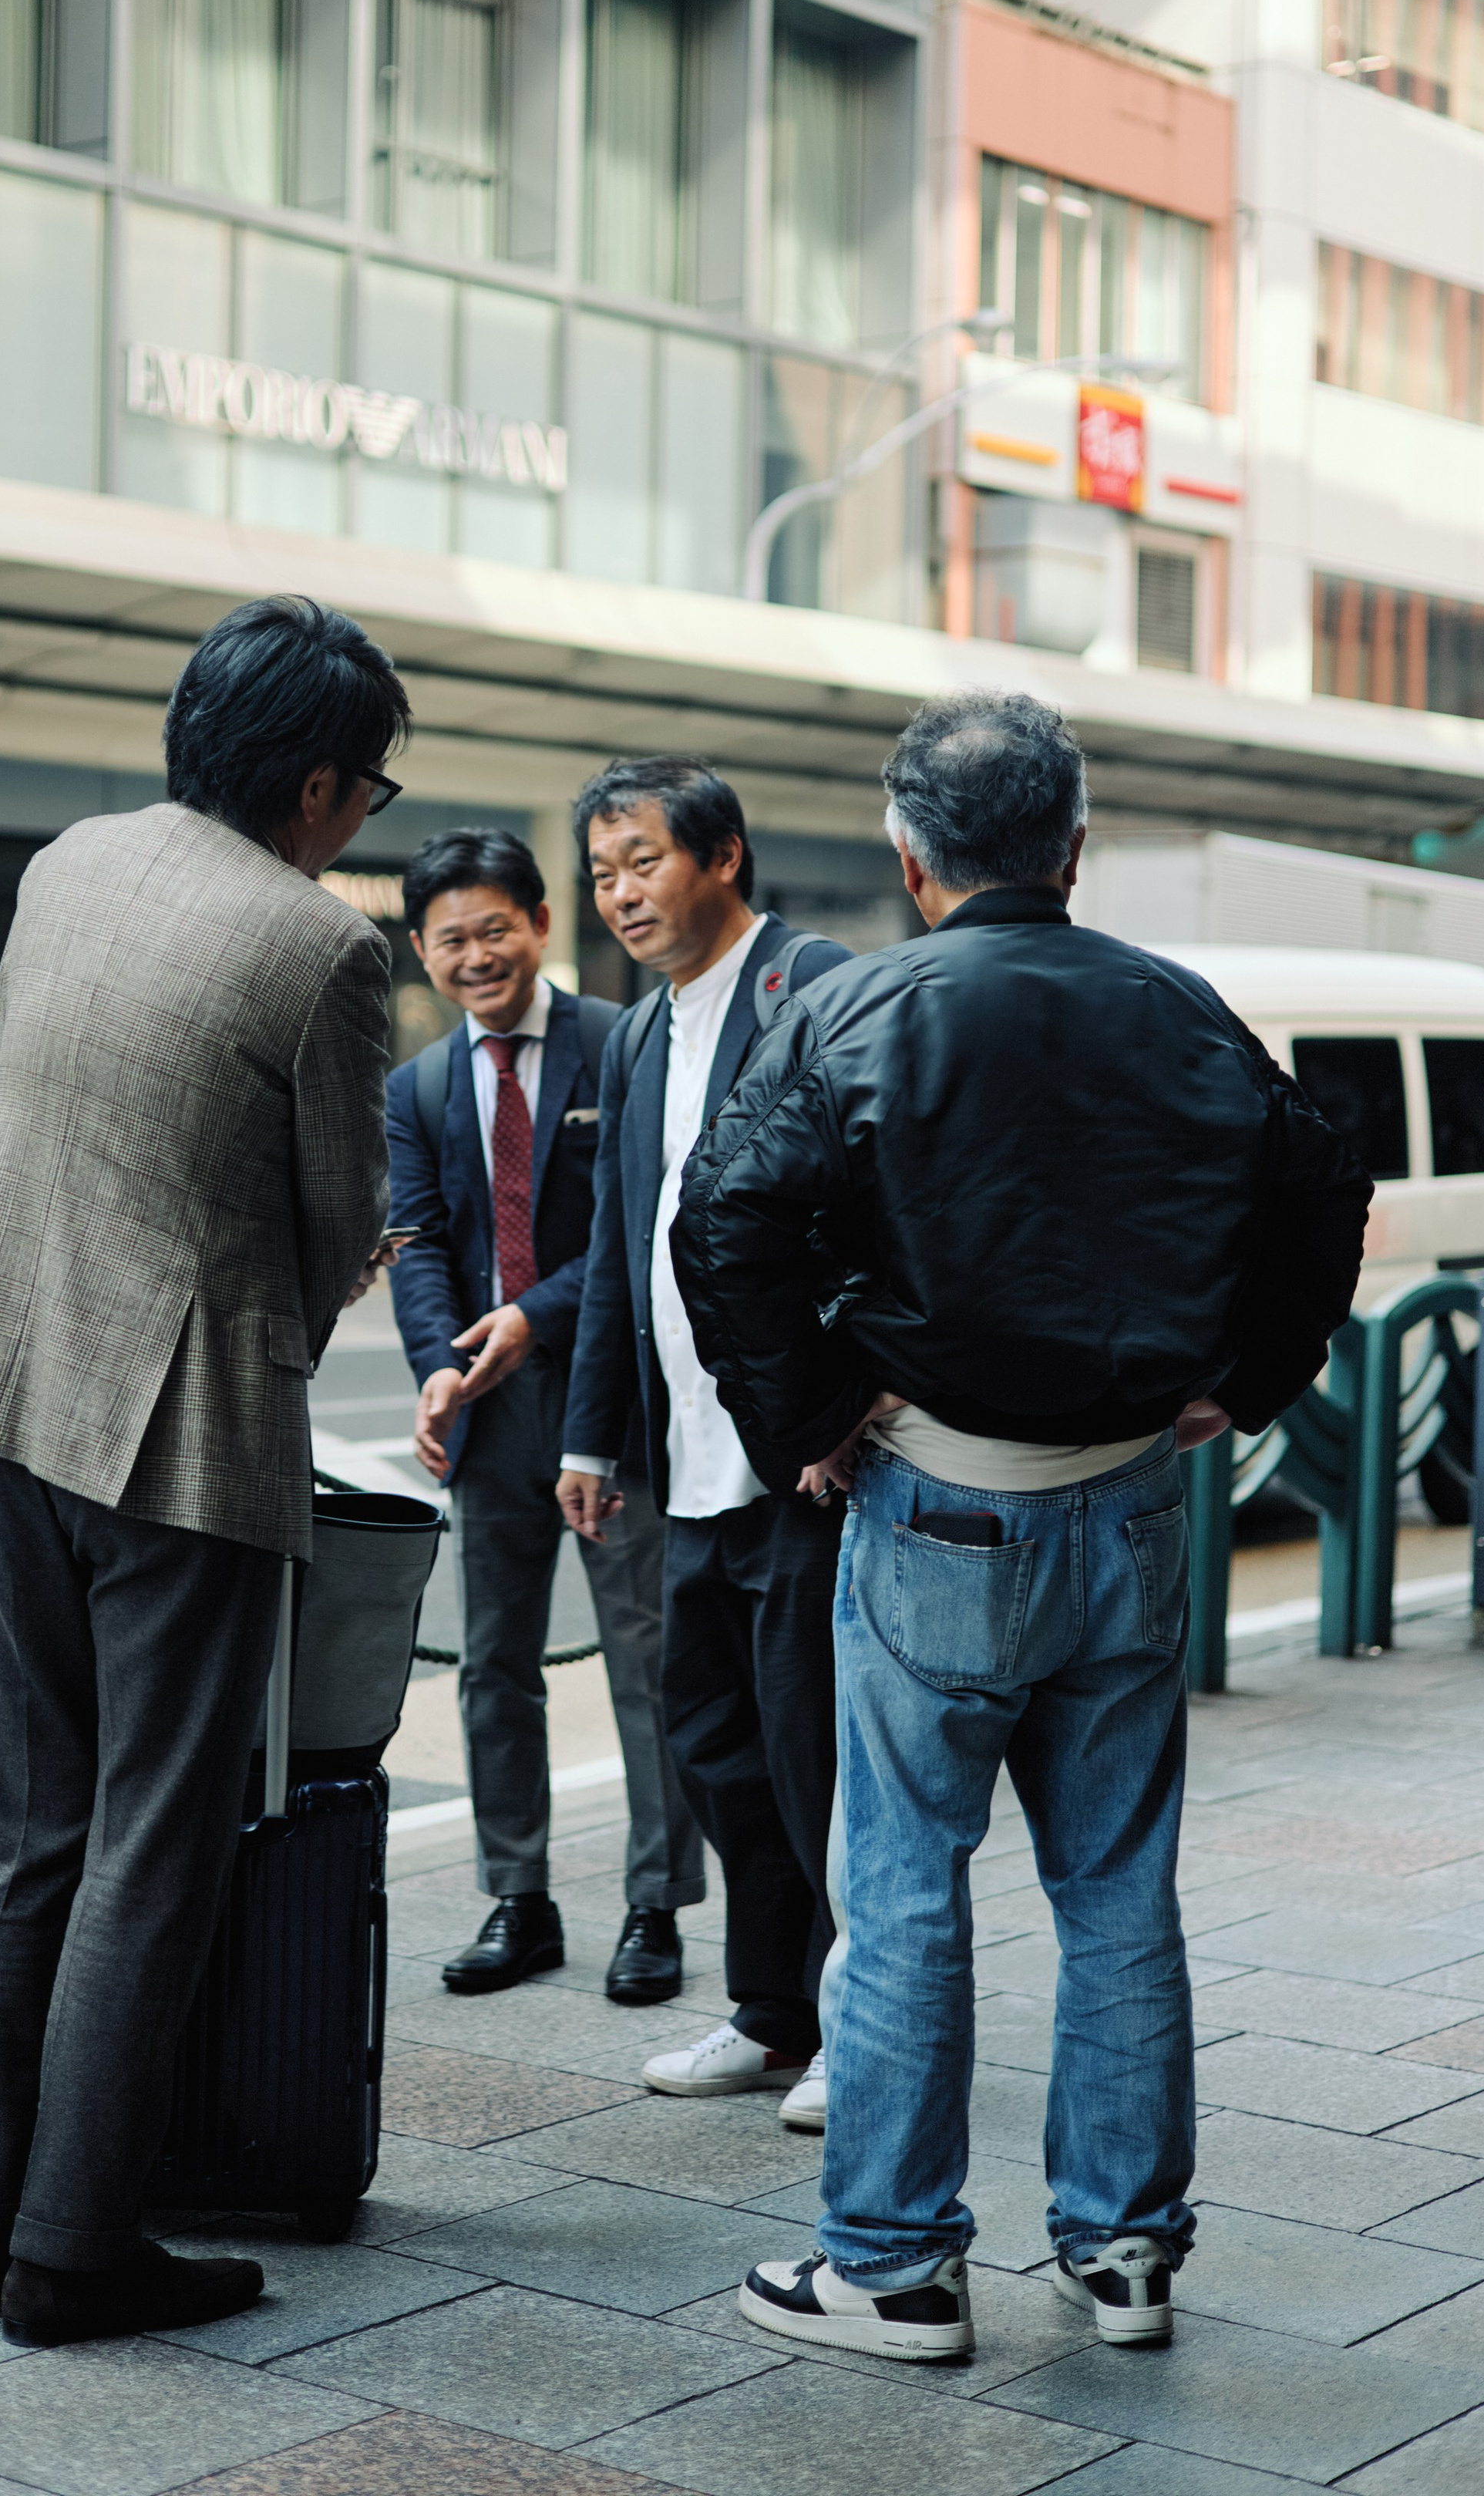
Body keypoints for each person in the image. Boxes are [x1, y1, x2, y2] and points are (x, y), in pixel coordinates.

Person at [673, 689, 1370, 2363]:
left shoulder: (864, 1010)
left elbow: (724, 1218)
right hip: (1130, 1506)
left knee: (906, 1883)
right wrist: (1241, 1381)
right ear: (1071, 850)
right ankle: (1122, 2255)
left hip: (929, 1502)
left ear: (911, 861)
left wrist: (806, 1420)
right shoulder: (1179, 1008)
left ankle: (894, 2269)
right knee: (1117, 1885)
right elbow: (1320, 1185)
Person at [0, 595, 409, 2351]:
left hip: (3, 1373)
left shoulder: (69, 860)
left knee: (23, 1822)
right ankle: (73, 2247)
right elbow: (340, 1219)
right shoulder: (322, 946)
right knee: (152, 1841)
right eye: (371, 789)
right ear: (323, 781)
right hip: (178, 1428)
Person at [557, 759, 849, 2128]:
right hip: (688, 1460)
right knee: (716, 1743)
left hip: (803, 1464)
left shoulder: (816, 990)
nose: (619, 893)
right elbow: (621, 1248)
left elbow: (866, 1222)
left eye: (642, 861)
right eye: (603, 871)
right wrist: (592, 1435)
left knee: (816, 1758)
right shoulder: (635, 1035)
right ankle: (772, 2013)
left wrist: (839, 1410)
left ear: (724, 855)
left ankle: (858, 2019)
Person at [387, 827, 705, 2005]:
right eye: (450, 940)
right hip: (487, 1418)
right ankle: (517, 1896)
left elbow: (647, 1229)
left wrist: (529, 1315)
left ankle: (657, 1906)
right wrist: (440, 1365)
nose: (477, 958)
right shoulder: (416, 1087)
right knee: (493, 1669)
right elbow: (419, 1241)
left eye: (494, 930)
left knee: (649, 1662)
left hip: (610, 1405)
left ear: (538, 927)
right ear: (422, 952)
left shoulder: (624, 1045)